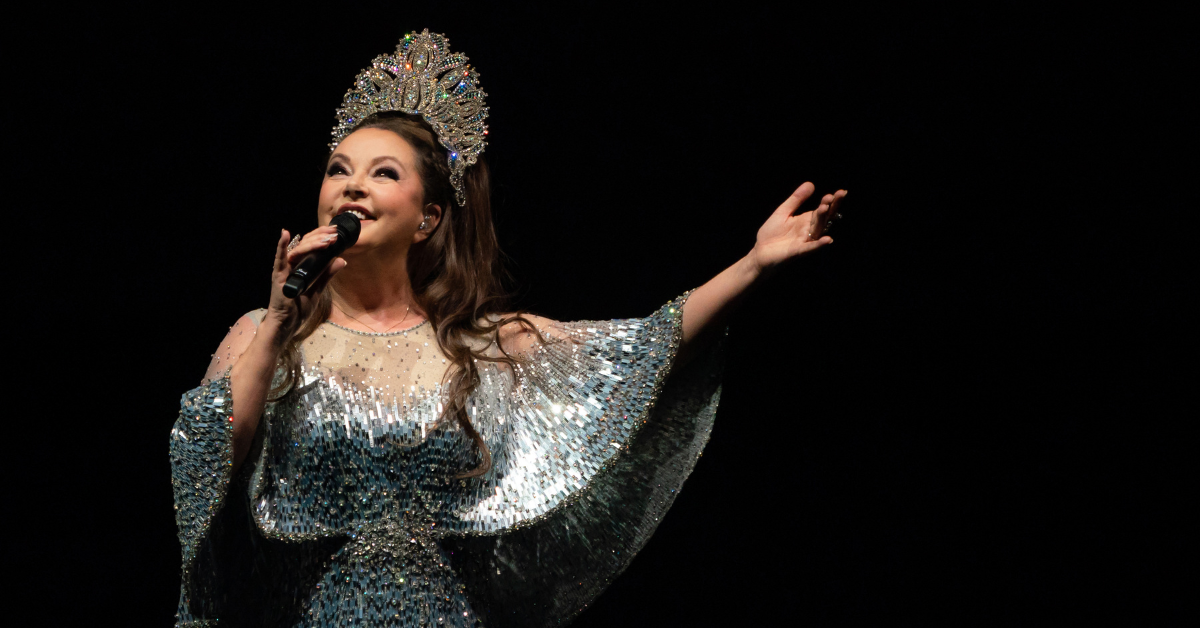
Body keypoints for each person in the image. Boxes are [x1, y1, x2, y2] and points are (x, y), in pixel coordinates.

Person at [170, 30, 845, 627]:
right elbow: (209, 455)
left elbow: (640, 352)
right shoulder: (266, 330)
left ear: (428, 217)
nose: (351, 186)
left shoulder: (481, 340)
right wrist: (283, 318)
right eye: (337, 170)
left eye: (383, 173)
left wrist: (753, 265)